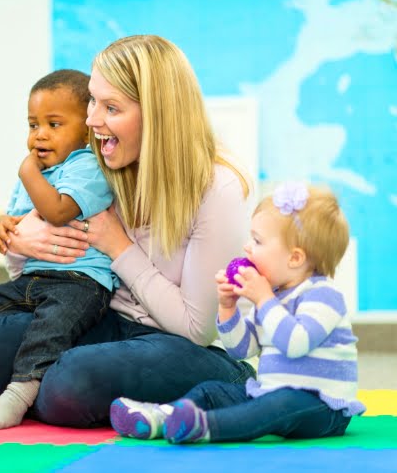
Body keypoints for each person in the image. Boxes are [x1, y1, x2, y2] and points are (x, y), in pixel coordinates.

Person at [0, 34, 257, 428]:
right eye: (92, 100)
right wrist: (20, 242)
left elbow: (195, 327)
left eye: (110, 107)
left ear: (157, 114)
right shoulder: (99, 169)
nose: (91, 120)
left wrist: (119, 246)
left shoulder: (217, 189)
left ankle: (232, 380)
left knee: (69, 383)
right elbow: (40, 281)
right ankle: (58, 397)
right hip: (99, 320)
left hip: (173, 341)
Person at [0, 69, 116, 429]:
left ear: (87, 127)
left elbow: (58, 210)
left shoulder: (89, 166)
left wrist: (27, 171)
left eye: (54, 124)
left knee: (49, 328)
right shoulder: (36, 171)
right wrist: (2, 224)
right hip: (32, 276)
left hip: (80, 281)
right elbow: (17, 221)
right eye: (33, 125)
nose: (40, 134)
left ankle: (19, 394)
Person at [110, 182, 365, 443]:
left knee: (281, 403)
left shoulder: (322, 296)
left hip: (321, 405)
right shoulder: (272, 297)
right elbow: (242, 350)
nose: (247, 247)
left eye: (257, 241)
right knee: (212, 391)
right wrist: (228, 307)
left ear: (295, 258)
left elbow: (295, 343)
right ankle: (163, 417)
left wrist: (264, 299)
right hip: (270, 394)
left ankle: (205, 427)